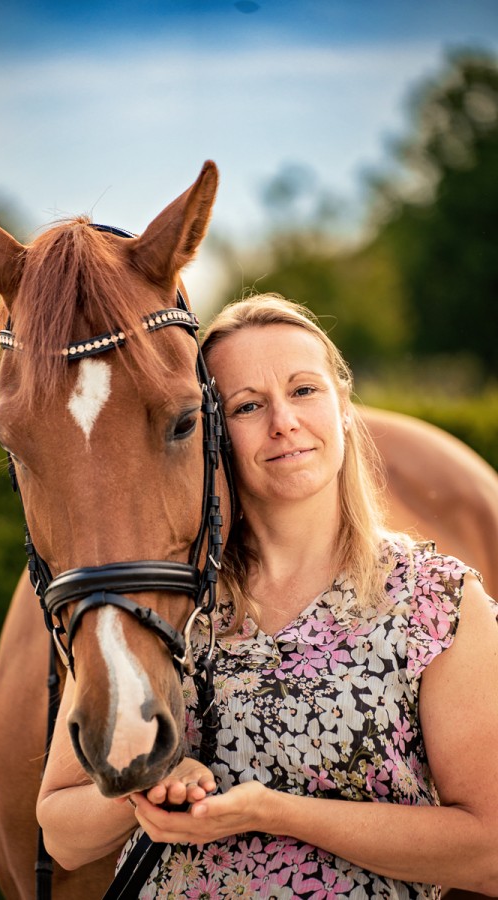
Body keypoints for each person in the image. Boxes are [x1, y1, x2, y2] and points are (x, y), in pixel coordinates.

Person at [37, 294, 498, 898]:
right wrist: (143, 794)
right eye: (248, 405)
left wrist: (273, 812)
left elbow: (489, 853)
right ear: (214, 434)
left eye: (304, 391)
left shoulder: (436, 600)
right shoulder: (163, 597)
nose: (284, 421)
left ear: (343, 407)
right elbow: (61, 837)